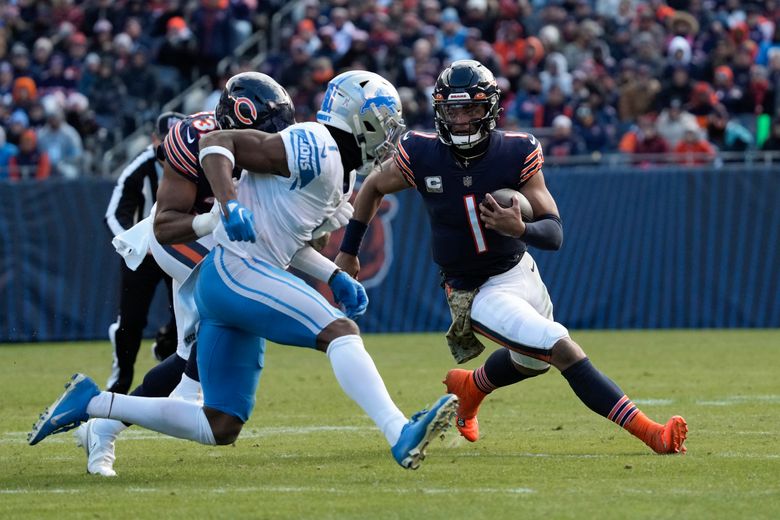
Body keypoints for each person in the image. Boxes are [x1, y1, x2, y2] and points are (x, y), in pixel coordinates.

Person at [30, 71, 457, 472]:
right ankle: (398, 431)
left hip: (237, 281)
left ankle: (95, 405)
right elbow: (218, 142)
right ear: (356, 117)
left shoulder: (342, 176)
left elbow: (281, 239)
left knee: (219, 424)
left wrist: (333, 275)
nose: (389, 134)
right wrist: (228, 205)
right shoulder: (316, 143)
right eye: (382, 122)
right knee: (339, 331)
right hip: (235, 270)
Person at [335, 60, 688, 455]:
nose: (462, 119)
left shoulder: (515, 151)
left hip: (520, 271)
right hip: (475, 291)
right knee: (561, 348)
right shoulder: (422, 153)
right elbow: (371, 188)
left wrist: (520, 228)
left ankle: (471, 387)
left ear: (490, 109)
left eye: (471, 108)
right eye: (453, 110)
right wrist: (349, 251)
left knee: (532, 360)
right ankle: (652, 433)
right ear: (440, 111)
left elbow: (554, 233)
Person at [74, 72, 298, 477]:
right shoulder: (192, 139)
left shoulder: (284, 146)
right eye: (259, 134)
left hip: (223, 245)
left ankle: (103, 424)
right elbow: (165, 224)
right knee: (234, 299)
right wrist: (212, 220)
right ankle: (154, 400)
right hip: (181, 238)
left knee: (185, 357)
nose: (266, 144)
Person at [103, 111, 183, 396]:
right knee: (132, 322)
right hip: (143, 256)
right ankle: (121, 382)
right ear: (154, 140)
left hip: (178, 253)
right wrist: (135, 244)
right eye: (166, 142)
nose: (172, 150)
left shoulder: (195, 161)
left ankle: (166, 351)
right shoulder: (141, 167)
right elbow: (114, 214)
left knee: (185, 320)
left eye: (178, 140)